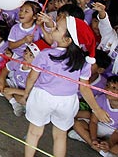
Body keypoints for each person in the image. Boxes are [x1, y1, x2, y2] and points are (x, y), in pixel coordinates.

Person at [21, 16, 110, 157]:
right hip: (67, 102)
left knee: (34, 132)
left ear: (68, 40)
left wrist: (26, 93)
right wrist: (97, 109)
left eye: (56, 28)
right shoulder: (84, 62)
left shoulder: (46, 54)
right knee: (60, 136)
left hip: (42, 97)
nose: (53, 28)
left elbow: (32, 77)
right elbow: (84, 87)